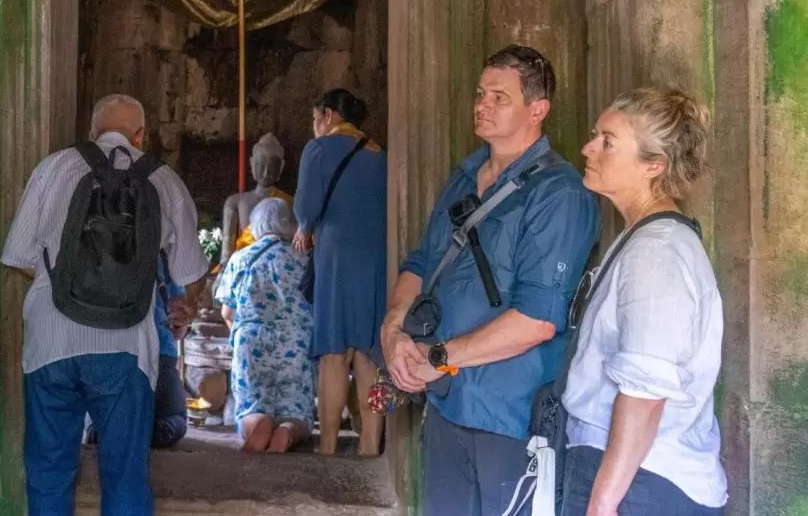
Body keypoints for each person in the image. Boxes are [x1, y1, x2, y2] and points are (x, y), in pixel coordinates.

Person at [380, 45, 600, 516]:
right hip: (446, 400)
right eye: (481, 93)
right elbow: (421, 263)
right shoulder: (464, 177)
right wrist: (394, 329)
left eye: (500, 97)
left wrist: (439, 357)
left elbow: (539, 320)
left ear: (537, 109)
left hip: (508, 410)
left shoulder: (558, 194)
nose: (482, 104)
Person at [1, 93, 207, 516]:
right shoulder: (164, 180)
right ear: (140, 135)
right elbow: (189, 271)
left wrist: (63, 285)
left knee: (48, 470)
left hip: (51, 343)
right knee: (125, 475)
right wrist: (182, 304)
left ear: (93, 134)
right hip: (127, 346)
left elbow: (19, 256)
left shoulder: (54, 167)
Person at [561, 87, 726, 516]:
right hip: (632, 475)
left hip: (639, 483)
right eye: (595, 135)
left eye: (608, 142)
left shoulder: (657, 252)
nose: (588, 147)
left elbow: (645, 391)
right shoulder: (645, 239)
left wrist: (602, 502)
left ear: (654, 166)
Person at [292, 88, 387, 456]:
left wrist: (305, 225)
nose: (315, 127)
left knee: (334, 356)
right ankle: (369, 445)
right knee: (370, 356)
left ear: (328, 115)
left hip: (336, 260)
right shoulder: (381, 154)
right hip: (377, 262)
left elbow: (305, 208)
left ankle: (328, 447)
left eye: (315, 119)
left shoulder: (318, 150)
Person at [215, 198, 315, 453]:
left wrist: (240, 337)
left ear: (256, 225)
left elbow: (227, 311)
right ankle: (287, 431)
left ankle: (258, 423)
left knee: (251, 405)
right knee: (297, 410)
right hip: (297, 340)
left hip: (252, 338)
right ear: (291, 224)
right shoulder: (304, 258)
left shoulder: (241, 257)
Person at [84, 253, 189, 450]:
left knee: (95, 429)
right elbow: (179, 318)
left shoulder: (94, 245)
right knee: (173, 424)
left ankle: (112, 430)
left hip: (105, 349)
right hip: (158, 351)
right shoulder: (164, 254)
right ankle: (138, 432)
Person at [221, 133, 292, 265]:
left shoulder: (290, 203)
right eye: (260, 166)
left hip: (277, 264)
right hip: (243, 263)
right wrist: (224, 268)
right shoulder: (235, 202)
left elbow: (294, 244)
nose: (265, 173)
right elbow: (226, 250)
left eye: (272, 167)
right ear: (251, 163)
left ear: (281, 167)